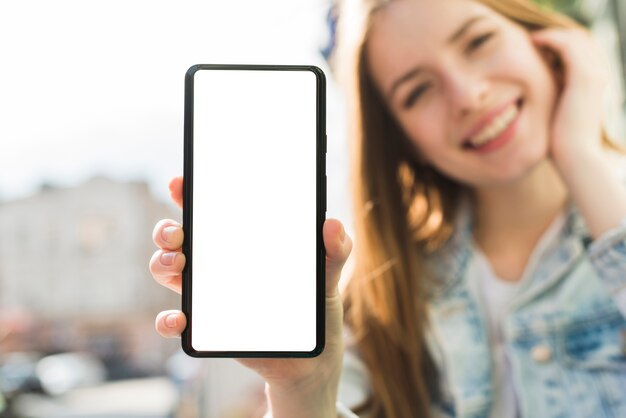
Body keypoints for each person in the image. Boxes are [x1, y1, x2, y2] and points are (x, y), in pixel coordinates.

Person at [149, 0, 626, 416]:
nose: (468, 95)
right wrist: (300, 389)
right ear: (401, 139)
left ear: (545, 41)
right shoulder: (378, 301)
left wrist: (582, 154)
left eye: (478, 41)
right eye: (418, 92)